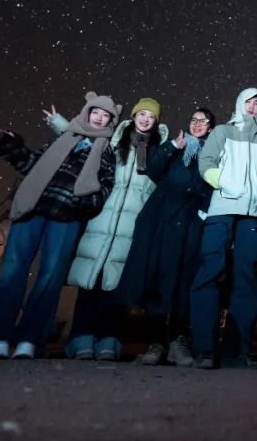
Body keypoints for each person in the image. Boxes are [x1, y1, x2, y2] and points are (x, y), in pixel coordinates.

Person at [0, 92, 121, 360]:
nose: (99, 118)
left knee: (50, 277)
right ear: (87, 113)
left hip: (67, 215)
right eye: (96, 112)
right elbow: (34, 165)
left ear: (110, 121)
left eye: (106, 116)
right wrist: (16, 150)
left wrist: (87, 202)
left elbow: (106, 184)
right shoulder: (63, 138)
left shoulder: (106, 151)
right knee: (12, 272)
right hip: (33, 208)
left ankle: (29, 339)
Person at [45, 97, 167, 361]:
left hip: (132, 225)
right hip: (101, 218)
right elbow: (86, 138)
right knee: (91, 278)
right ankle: (81, 337)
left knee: (116, 283)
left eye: (151, 116)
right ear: (134, 116)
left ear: (156, 122)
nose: (146, 119)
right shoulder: (114, 141)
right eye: (142, 114)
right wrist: (59, 124)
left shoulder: (159, 151)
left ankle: (109, 338)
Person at [117, 107, 217, 366]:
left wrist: (204, 212)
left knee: (185, 280)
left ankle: (178, 340)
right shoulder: (176, 147)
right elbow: (152, 169)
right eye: (193, 119)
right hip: (164, 221)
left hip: (192, 221)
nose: (197, 124)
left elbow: (214, 184)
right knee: (159, 277)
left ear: (210, 126)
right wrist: (172, 146)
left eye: (203, 121)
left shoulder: (215, 151)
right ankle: (156, 341)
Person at [191, 88, 257, 369]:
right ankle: (204, 349)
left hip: (252, 215)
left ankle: (236, 351)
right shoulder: (222, 132)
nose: (252, 107)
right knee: (210, 272)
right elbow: (206, 163)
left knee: (246, 279)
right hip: (221, 210)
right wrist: (228, 185)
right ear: (239, 103)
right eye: (248, 102)